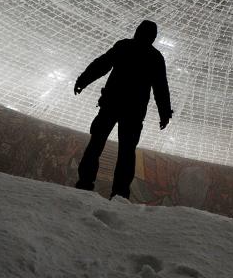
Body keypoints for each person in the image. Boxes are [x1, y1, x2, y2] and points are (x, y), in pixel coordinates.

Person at [73, 19, 173, 198]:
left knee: (96, 144)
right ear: (153, 38)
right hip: (134, 112)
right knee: (126, 152)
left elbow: (102, 64)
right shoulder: (156, 58)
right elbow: (161, 88)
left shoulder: (124, 46)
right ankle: (120, 193)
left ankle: (85, 183)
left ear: (137, 31)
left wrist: (83, 80)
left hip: (111, 104)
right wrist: (164, 113)